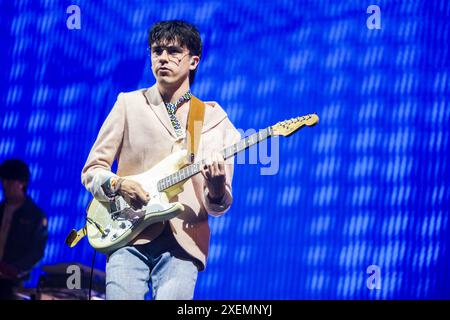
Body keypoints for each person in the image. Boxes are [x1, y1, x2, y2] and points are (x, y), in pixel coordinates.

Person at [81, 20, 241, 300]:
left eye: (173, 51)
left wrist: (216, 187)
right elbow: (93, 170)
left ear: (193, 61)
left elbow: (218, 206)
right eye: (157, 51)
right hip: (128, 233)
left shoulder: (215, 120)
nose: (163, 58)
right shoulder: (128, 104)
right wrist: (119, 185)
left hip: (184, 241)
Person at [0, 159, 48, 299]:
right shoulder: (1, 209)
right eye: (3, 180)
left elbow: (37, 251)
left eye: (10, 181)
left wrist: (14, 269)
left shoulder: (35, 215)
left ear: (23, 183)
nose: (5, 185)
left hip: (15, 283)